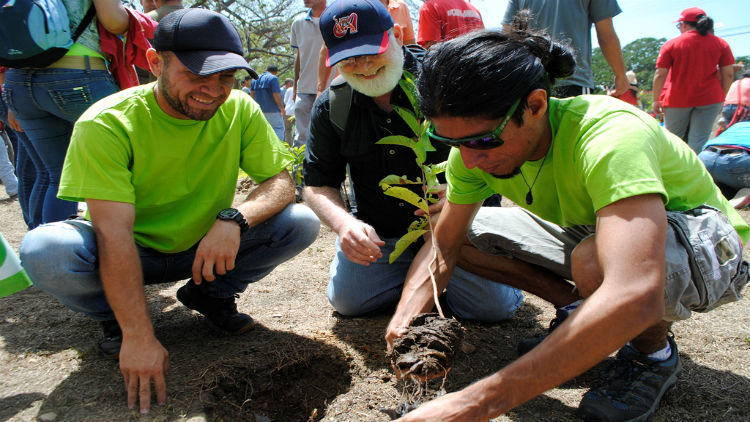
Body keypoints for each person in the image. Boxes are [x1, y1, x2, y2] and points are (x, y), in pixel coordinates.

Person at [385, 23, 749, 422]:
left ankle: (653, 357)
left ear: (536, 105)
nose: (469, 160)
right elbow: (447, 245)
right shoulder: (472, 155)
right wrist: (406, 313)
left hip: (709, 244)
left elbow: (636, 290)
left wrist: (475, 404)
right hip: (600, 229)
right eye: (454, 143)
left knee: (595, 262)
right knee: (461, 229)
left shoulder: (609, 135)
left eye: (483, 141)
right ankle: (581, 313)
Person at [19, 9, 320, 414]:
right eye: (197, 75)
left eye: (226, 78)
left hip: (200, 249)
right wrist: (138, 335)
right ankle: (115, 318)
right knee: (46, 249)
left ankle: (209, 295)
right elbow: (113, 234)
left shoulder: (240, 110)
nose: (213, 90)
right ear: (155, 62)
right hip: (130, 250)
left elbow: (281, 183)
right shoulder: (107, 123)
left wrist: (235, 218)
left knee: (299, 222)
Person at [304, 0, 522, 321]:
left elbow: (504, 148)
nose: (364, 67)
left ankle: (460, 277)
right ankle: (416, 279)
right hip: (386, 238)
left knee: (493, 309)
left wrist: (464, 195)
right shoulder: (333, 106)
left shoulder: (449, 81)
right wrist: (345, 224)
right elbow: (317, 184)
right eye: (349, 60)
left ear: (394, 34)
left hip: (460, 230)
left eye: (370, 52)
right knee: (350, 303)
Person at [4, 0, 129, 224]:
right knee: (127, 161)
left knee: (55, 176)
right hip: (77, 74)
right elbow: (114, 21)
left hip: (19, 81)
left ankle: (41, 252)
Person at [501, 0, 629, 98]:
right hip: (574, 81)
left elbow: (507, 36)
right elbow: (606, 36)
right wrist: (620, 75)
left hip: (530, 86)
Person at [653, 7, 735, 153]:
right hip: (710, 99)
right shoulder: (721, 44)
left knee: (674, 140)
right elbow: (728, 74)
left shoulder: (671, 44)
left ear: (684, 25)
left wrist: (656, 99)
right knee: (699, 140)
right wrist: (723, 97)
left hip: (677, 100)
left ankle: (674, 173)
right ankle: (695, 173)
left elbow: (660, 74)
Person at [315, 0, 416, 95]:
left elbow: (409, 46)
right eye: (346, 58)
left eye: (372, 52)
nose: (364, 68)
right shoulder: (330, 107)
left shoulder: (428, 82)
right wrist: (320, 89)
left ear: (397, 36)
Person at [290, 0, 327, 146]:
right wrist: (295, 87)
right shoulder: (298, 23)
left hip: (331, 88)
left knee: (329, 136)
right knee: (301, 138)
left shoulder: (336, 19)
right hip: (304, 89)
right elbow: (299, 56)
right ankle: (300, 169)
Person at [699, 121, 750, 209]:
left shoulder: (739, 125)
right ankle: (745, 192)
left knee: (722, 179)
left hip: (705, 157)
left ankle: (724, 192)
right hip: (737, 161)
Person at [417, 0, 484, 49]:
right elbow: (483, 46)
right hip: (476, 65)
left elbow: (431, 50)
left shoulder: (430, 6)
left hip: (447, 66)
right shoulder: (475, 10)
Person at [251, 64, 287, 142]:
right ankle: (277, 150)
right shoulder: (273, 78)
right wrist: (282, 108)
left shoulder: (255, 79)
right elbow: (276, 94)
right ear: (276, 72)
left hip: (259, 111)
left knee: (262, 132)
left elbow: (252, 94)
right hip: (273, 111)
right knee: (278, 129)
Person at [283, 79, 296, 145]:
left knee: (288, 130)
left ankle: (288, 145)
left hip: (287, 111)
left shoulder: (288, 90)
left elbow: (285, 101)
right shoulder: (299, 88)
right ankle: (296, 144)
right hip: (296, 111)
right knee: (296, 129)